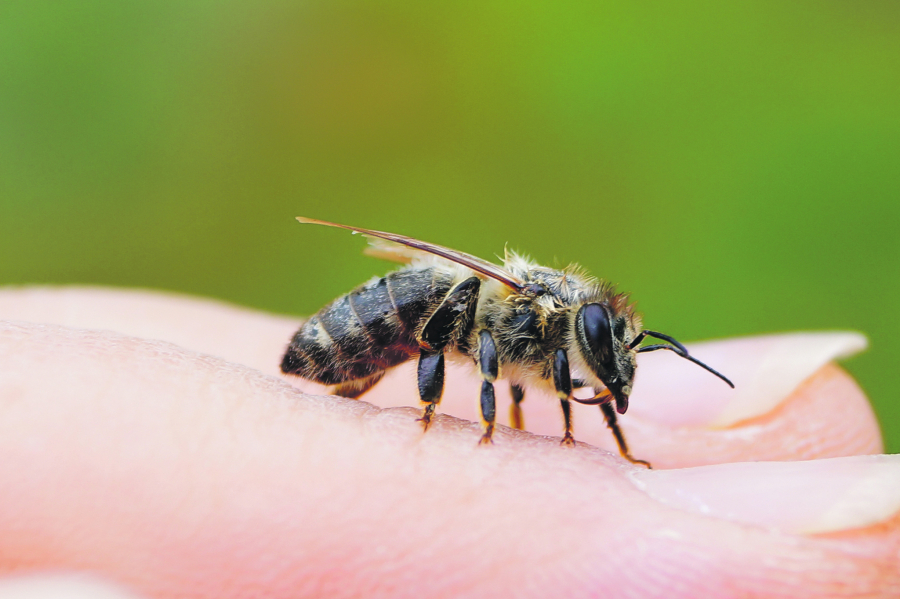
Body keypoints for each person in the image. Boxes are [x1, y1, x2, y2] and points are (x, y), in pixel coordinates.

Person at [0, 288, 896, 598]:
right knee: (433, 328)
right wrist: (441, 419)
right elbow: (462, 341)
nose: (607, 372)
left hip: (408, 333)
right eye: (604, 352)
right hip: (384, 323)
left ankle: (400, 405)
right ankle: (413, 412)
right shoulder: (517, 315)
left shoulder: (553, 346)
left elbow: (544, 378)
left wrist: (607, 431)